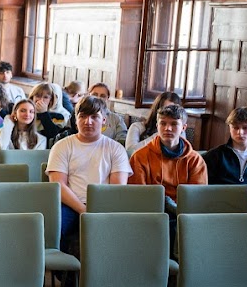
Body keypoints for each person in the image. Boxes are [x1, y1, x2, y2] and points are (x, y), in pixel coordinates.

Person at [46, 95, 131, 241]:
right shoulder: (62, 146)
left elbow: (117, 189)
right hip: (69, 204)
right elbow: (58, 185)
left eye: (94, 117)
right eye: (83, 116)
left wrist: (96, 211)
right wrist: (82, 209)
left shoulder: (116, 149)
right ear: (76, 119)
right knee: (53, 229)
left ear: (104, 120)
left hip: (104, 205)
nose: (88, 122)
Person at [129, 104, 207, 220]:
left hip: (183, 215)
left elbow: (196, 197)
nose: (168, 128)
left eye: (174, 124)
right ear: (157, 126)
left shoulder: (195, 160)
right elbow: (138, 196)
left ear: (184, 128)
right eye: (163, 123)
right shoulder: (140, 157)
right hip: (151, 215)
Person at [205, 107, 247, 219]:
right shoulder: (215, 156)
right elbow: (205, 189)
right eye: (235, 128)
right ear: (229, 128)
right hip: (222, 208)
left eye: (245, 127)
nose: (240, 132)